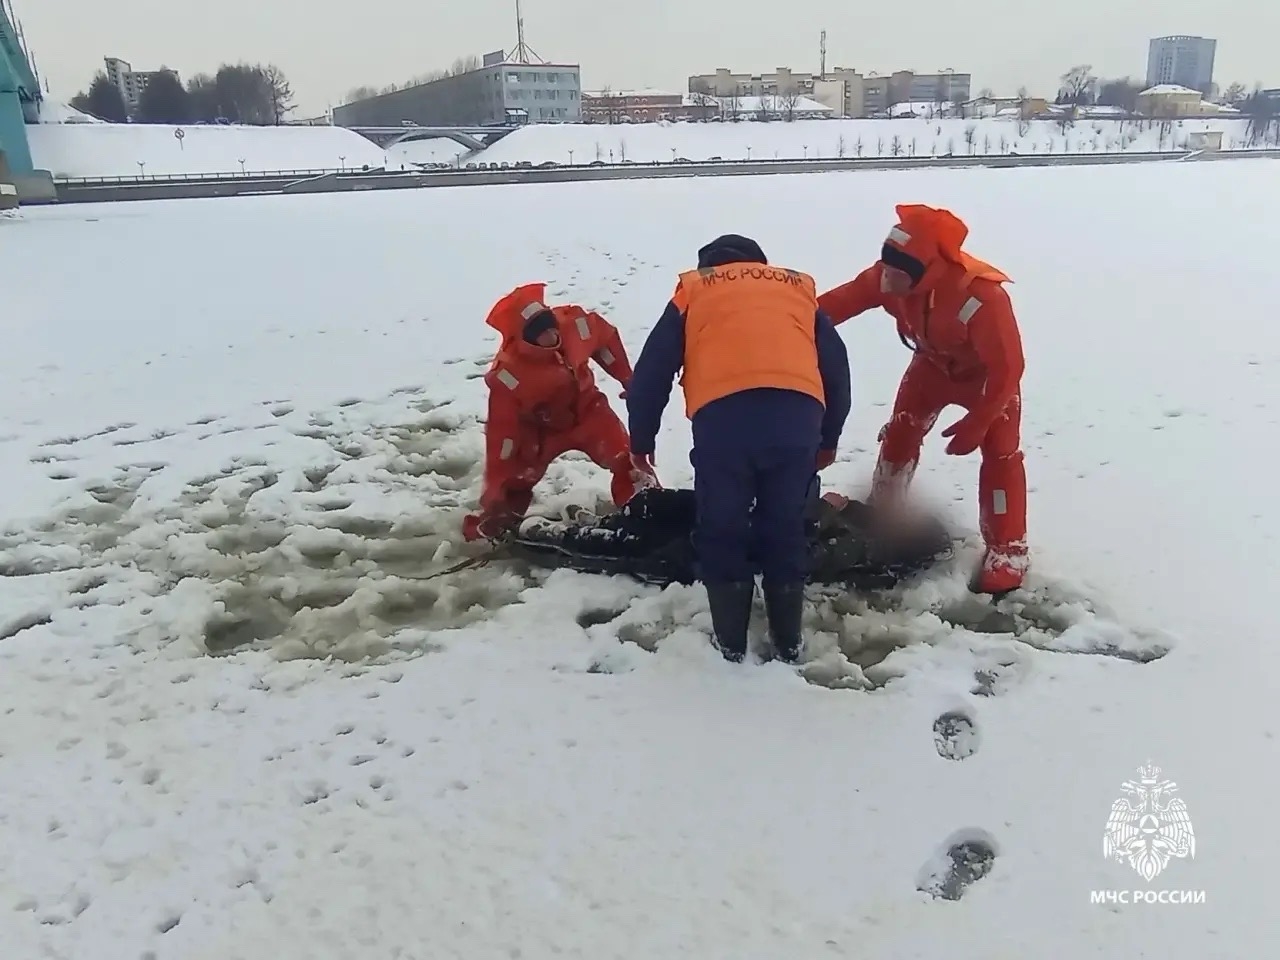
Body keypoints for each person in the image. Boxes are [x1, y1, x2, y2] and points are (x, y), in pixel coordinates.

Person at [626, 235, 851, 664]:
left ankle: (730, 644)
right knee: (785, 524)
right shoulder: (797, 290)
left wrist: (642, 441)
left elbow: (651, 374)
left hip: (725, 419)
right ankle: (788, 643)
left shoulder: (695, 289)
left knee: (723, 525)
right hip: (796, 414)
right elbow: (837, 370)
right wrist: (829, 438)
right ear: (760, 264)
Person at [816, 203, 1027, 595]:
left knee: (1001, 454)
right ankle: (885, 511)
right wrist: (783, 320)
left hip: (984, 380)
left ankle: (1008, 548)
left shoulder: (983, 298)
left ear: (928, 271)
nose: (888, 276)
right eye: (887, 265)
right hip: (930, 367)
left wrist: (979, 420)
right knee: (900, 435)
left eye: (900, 271)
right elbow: (830, 307)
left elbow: (1008, 368)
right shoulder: (885, 278)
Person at [463, 282, 657, 542]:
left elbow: (605, 339)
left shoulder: (576, 324)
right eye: (539, 333)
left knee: (628, 460)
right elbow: (503, 432)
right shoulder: (508, 375)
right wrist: (496, 480)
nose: (550, 335)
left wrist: (628, 379)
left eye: (549, 325)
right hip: (539, 431)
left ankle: (651, 512)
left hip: (589, 411)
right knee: (512, 487)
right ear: (525, 338)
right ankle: (487, 531)